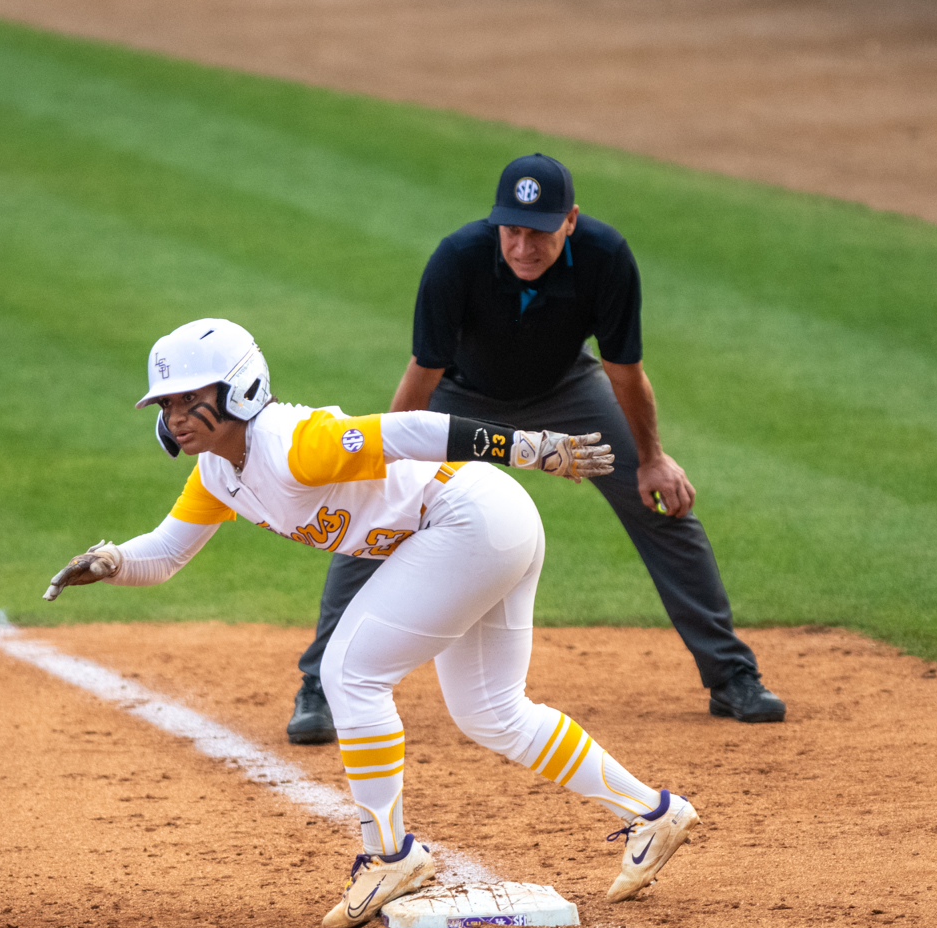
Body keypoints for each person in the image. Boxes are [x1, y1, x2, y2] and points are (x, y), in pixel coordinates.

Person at [46, 318, 703, 928]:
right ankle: (653, 813)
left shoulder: (294, 446)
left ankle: (391, 856)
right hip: (483, 524)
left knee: (349, 671)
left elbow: (409, 430)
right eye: (167, 405)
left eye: (189, 399)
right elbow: (162, 555)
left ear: (239, 389)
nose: (176, 417)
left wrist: (528, 447)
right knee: (491, 711)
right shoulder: (219, 472)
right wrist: (109, 560)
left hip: (471, 518)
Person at [284, 153, 784, 746]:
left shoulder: (606, 257)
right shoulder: (458, 259)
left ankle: (732, 676)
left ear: (570, 221)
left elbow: (626, 372)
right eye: (512, 230)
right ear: (497, 224)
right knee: (381, 510)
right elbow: (426, 367)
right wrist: (387, 457)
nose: (523, 246)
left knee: (661, 505)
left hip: (567, 391)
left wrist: (651, 458)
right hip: (460, 397)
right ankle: (319, 685)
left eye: (539, 232)